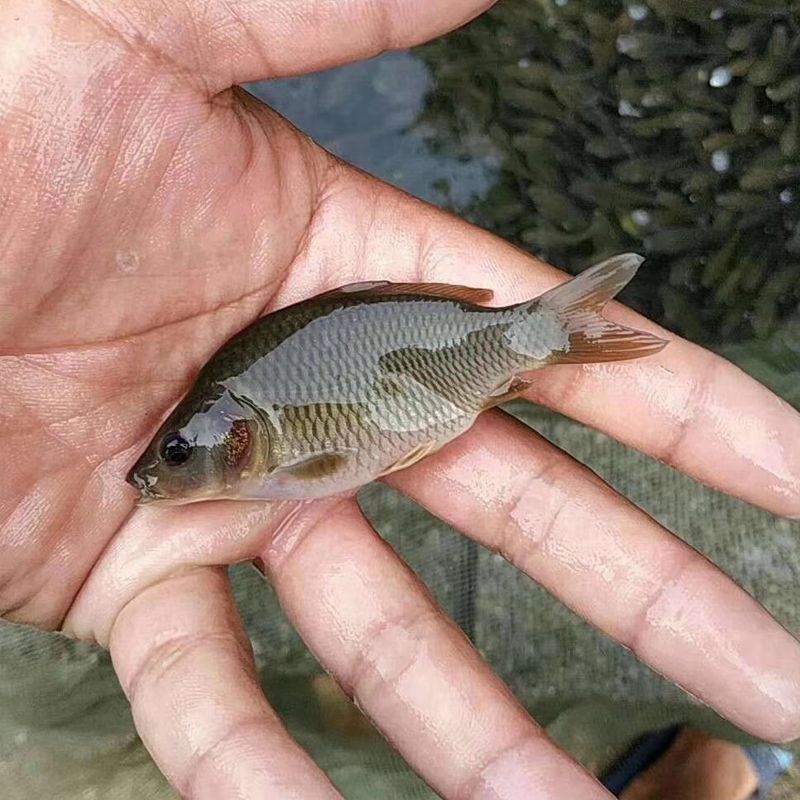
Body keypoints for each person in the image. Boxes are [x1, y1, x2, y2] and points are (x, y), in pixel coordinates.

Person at [1, 2, 798, 798]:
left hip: (435, 354)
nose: (158, 469)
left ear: (236, 435)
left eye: (176, 451)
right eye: (175, 454)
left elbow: (346, 446)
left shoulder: (262, 435)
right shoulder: (241, 432)